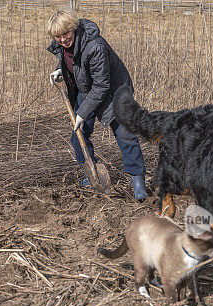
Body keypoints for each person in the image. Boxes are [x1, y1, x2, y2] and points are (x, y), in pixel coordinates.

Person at [46, 8, 148, 201]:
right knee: (78, 137)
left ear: (73, 28)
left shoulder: (95, 46)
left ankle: (138, 184)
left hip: (114, 92)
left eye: (65, 34)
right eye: (57, 36)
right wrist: (60, 70)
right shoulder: (61, 44)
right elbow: (72, 60)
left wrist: (82, 112)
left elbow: (102, 85)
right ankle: (91, 174)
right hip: (88, 90)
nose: (62, 39)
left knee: (125, 136)